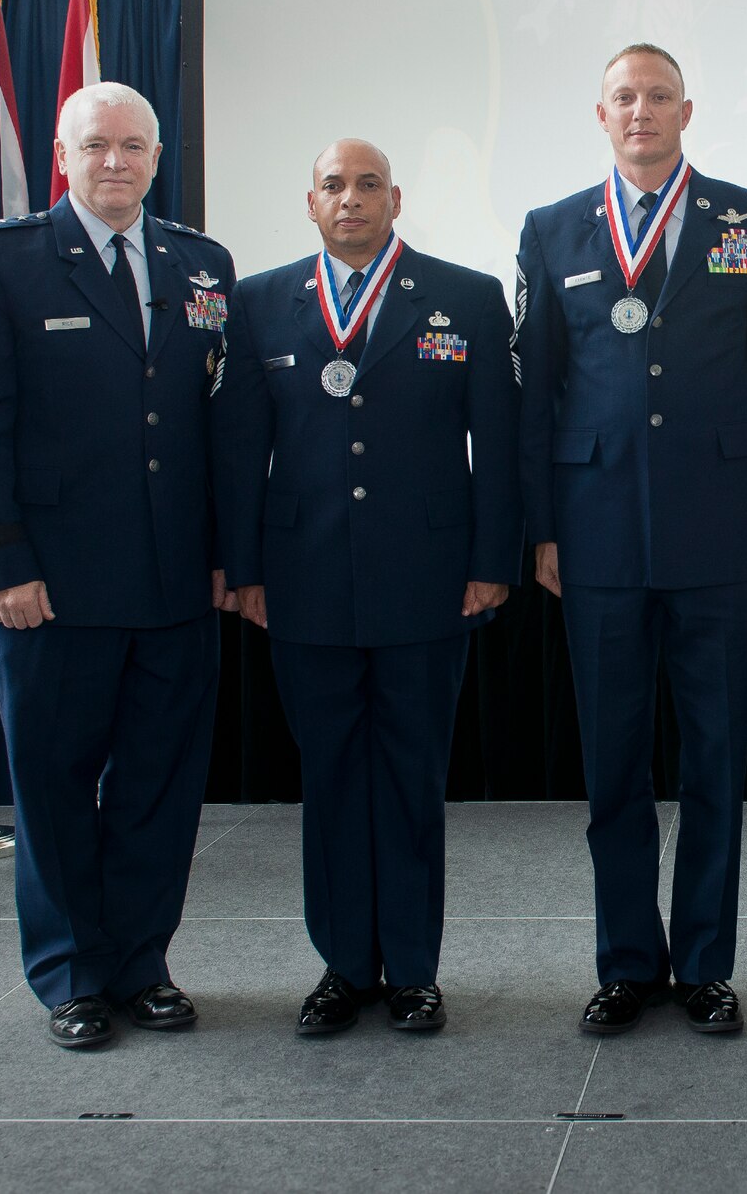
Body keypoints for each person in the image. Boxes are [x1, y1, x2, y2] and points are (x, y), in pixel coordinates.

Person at [0, 81, 237, 1049]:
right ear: (64, 155)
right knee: (56, 783)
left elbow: (219, 429)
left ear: (157, 154)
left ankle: (142, 960)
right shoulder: (4, 259)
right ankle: (69, 970)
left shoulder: (200, 262)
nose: (117, 161)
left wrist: (230, 557)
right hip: (50, 586)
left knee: (159, 782)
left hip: (176, 580)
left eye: (134, 145)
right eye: (97, 145)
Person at [516, 43, 747, 1036]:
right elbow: (535, 392)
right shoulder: (551, 228)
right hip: (594, 534)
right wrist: (542, 528)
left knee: (716, 761)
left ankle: (706, 966)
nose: (639, 110)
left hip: (720, 531)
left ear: (687, 108)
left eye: (656, 95)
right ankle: (625, 961)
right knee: (612, 766)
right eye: (622, 97)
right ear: (598, 114)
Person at [217, 139, 519, 1037]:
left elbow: (496, 446)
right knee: (333, 779)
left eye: (369, 184)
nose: (351, 199)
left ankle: (416, 971)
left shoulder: (466, 298)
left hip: (428, 583)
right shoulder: (260, 302)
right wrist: (247, 570)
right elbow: (239, 451)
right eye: (334, 186)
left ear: (397, 198)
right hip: (303, 583)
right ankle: (345, 967)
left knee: (413, 778)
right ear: (309, 201)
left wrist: (491, 560)